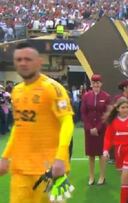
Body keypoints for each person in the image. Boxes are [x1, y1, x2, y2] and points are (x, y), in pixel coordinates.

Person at [0, 42, 74, 202]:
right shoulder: (16, 91)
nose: (23, 63)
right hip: (21, 169)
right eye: (18, 60)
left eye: (28, 59)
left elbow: (67, 121)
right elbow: (18, 127)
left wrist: (60, 158)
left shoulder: (53, 88)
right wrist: (5, 157)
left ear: (39, 62)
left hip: (48, 168)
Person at [81, 74, 111, 185]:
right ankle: (91, 177)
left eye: (98, 82)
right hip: (89, 130)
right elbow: (83, 113)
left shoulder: (106, 96)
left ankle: (102, 177)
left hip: (102, 129)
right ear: (91, 84)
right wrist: (90, 128)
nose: (96, 84)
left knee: (102, 154)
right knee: (91, 154)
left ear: (101, 84)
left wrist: (97, 128)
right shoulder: (86, 96)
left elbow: (106, 114)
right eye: (94, 82)